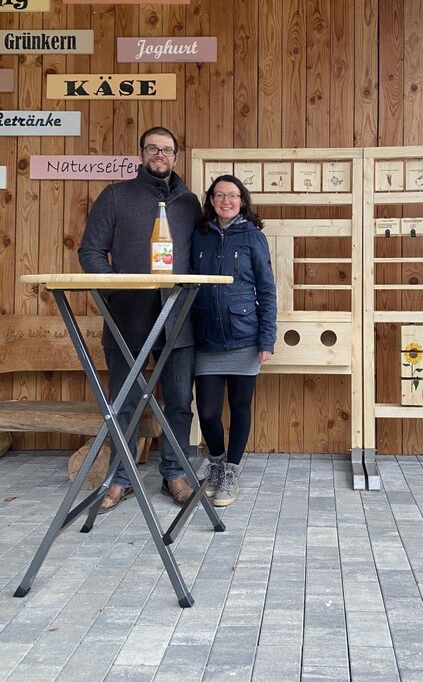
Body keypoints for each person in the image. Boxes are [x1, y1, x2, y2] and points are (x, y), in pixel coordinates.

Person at [78, 126, 201, 511]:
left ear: (176, 156)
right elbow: (90, 252)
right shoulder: (115, 196)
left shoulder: (190, 203)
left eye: (167, 150)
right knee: (124, 401)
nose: (160, 155)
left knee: (179, 401)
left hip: (178, 319)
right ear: (141, 153)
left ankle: (175, 473)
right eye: (153, 148)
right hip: (127, 318)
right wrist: (116, 290)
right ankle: (120, 478)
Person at [192, 174, 276, 506]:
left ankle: (231, 471)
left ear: (242, 201)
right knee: (208, 411)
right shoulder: (199, 235)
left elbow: (267, 290)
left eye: (232, 195)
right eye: (219, 195)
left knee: (240, 407)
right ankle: (216, 461)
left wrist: (267, 338)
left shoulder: (253, 237)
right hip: (206, 336)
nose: (226, 201)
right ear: (211, 201)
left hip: (244, 335)